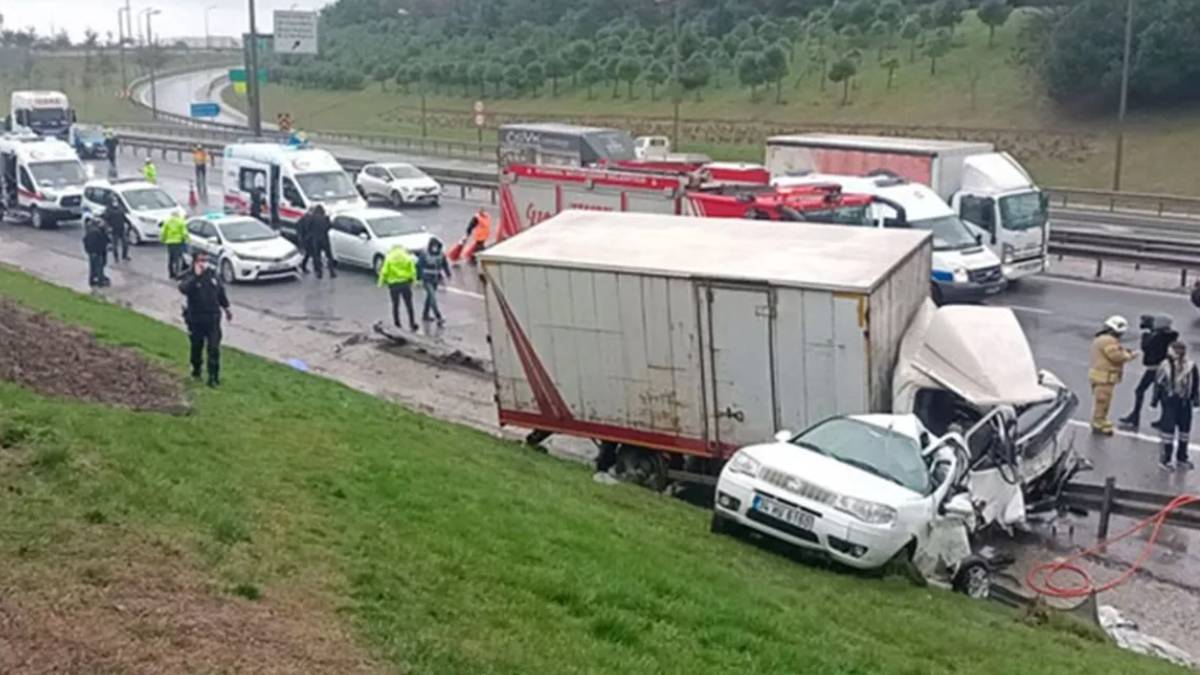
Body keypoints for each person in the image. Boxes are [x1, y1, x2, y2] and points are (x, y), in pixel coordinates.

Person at [178, 251, 232, 387]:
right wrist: (196, 276)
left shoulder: (213, 275)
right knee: (197, 346)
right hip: (196, 318)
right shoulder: (190, 275)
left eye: (206, 260)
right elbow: (183, 288)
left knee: (214, 348)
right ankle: (196, 370)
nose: (204, 263)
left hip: (213, 318)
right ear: (195, 261)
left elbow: (220, 292)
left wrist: (226, 308)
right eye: (201, 260)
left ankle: (213, 377)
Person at [1119, 314, 1179, 430]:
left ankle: (1135, 416)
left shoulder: (1158, 337)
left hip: (1154, 368)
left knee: (1140, 391)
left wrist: (1146, 336)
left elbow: (1147, 347)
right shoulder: (1170, 336)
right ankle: (1165, 418)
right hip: (1164, 368)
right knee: (1162, 394)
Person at [1088, 315, 1139, 435]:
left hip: (1101, 376)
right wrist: (1130, 355)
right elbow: (1116, 357)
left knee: (1103, 401)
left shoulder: (1103, 339)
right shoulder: (1108, 341)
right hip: (1104, 377)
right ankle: (1098, 422)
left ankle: (1100, 420)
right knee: (1102, 401)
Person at [1153, 341, 1198, 471]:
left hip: (1185, 402)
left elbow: (1195, 383)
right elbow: (1158, 384)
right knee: (1168, 432)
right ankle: (1165, 459)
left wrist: (1195, 400)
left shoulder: (1190, 366)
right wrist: (1155, 400)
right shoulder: (1165, 366)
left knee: (1185, 431)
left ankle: (1182, 457)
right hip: (1170, 402)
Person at [377, 245, 418, 331]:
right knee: (409, 304)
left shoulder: (389, 258)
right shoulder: (406, 257)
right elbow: (413, 270)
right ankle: (412, 323)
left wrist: (380, 282)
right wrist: (414, 281)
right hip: (405, 283)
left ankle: (397, 323)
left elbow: (384, 271)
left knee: (395, 305)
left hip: (394, 284)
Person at [417, 238, 452, 326]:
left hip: (435, 278)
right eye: (433, 246)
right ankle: (438, 316)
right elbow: (419, 266)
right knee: (432, 298)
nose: (435, 248)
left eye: (436, 247)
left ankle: (425, 315)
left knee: (429, 297)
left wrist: (448, 274)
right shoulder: (424, 254)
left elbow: (445, 264)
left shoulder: (441, 254)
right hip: (426, 278)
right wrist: (418, 278)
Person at [306, 204, 336, 279]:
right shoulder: (325, 218)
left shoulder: (312, 218)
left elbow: (308, 227)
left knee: (317, 256)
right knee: (329, 256)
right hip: (325, 239)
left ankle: (319, 273)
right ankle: (332, 272)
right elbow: (330, 226)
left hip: (316, 240)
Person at [161, 211, 190, 279]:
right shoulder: (180, 222)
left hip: (170, 243)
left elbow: (163, 232)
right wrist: (187, 240)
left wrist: (162, 240)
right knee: (177, 259)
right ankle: (177, 274)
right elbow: (184, 233)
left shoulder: (167, 222)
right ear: (178, 215)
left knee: (171, 258)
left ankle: (171, 274)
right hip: (178, 242)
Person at [103, 194, 131, 263]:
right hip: (114, 230)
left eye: (115, 200)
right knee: (115, 245)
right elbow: (106, 220)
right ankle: (116, 258)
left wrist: (129, 223)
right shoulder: (108, 210)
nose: (115, 202)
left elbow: (124, 217)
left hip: (121, 228)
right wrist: (108, 228)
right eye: (113, 200)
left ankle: (124, 256)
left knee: (125, 243)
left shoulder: (120, 208)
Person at [82, 219, 110, 287]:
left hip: (91, 252)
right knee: (99, 268)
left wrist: (88, 250)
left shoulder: (89, 231)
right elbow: (102, 242)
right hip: (97, 252)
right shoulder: (98, 232)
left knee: (92, 268)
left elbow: (85, 240)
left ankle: (91, 281)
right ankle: (100, 283)